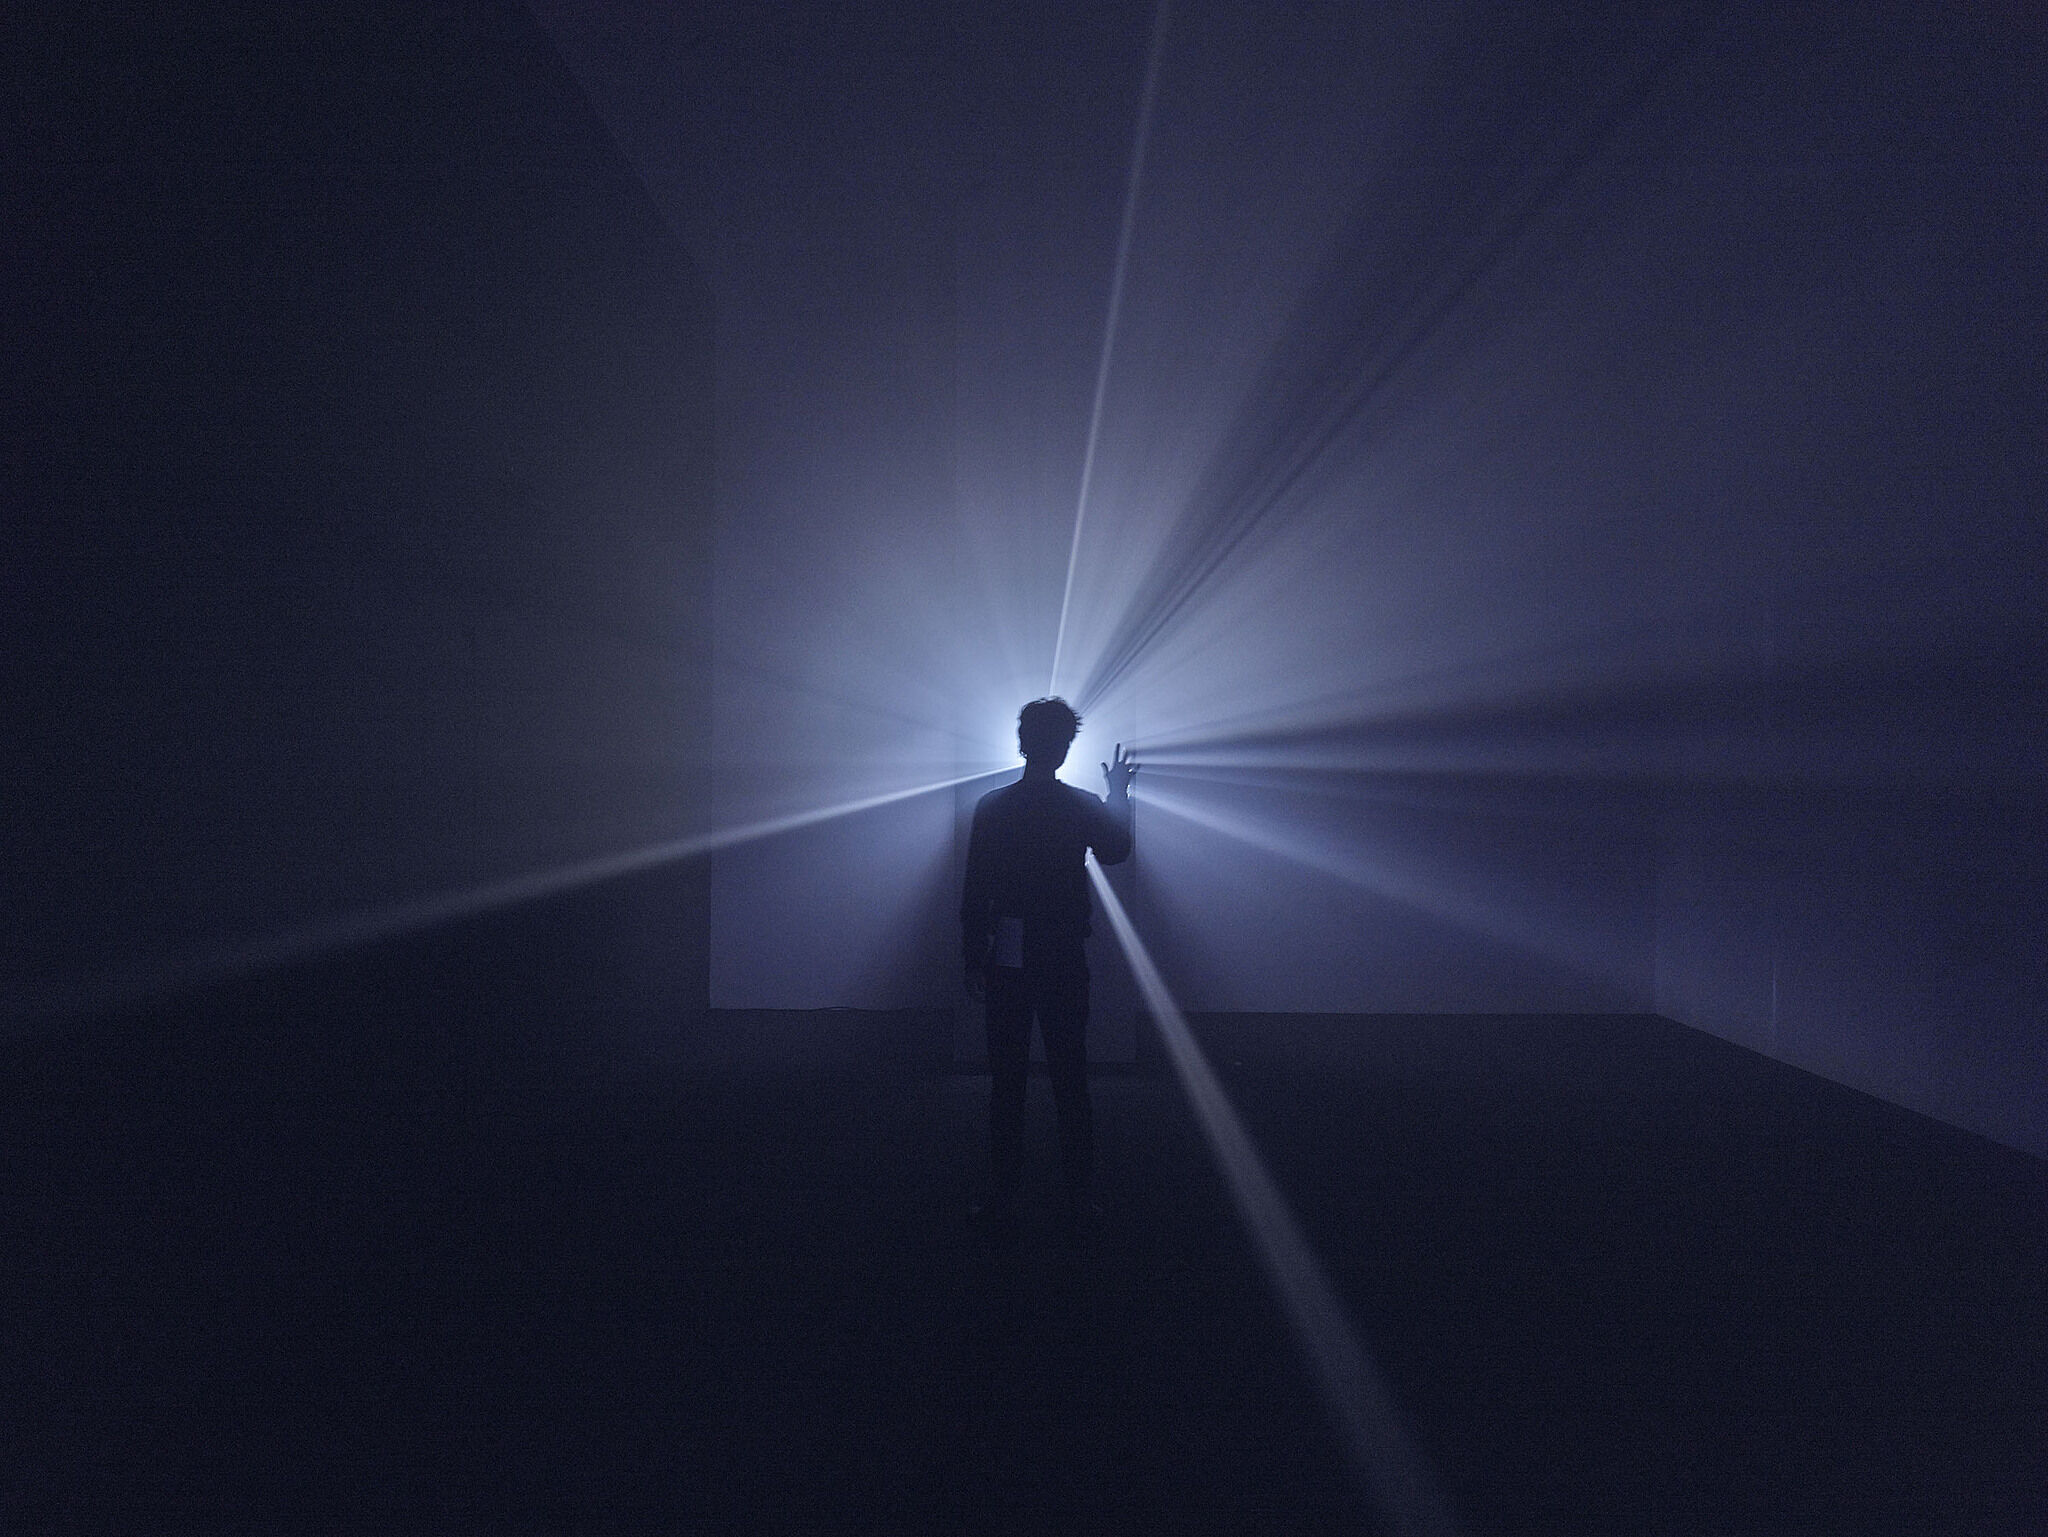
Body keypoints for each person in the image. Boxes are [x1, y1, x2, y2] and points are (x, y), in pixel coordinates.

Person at [961, 697, 1136, 1240]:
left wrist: (973, 953)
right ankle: (1079, 1197)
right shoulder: (1079, 805)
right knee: (1069, 1076)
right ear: (1061, 746)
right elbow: (1115, 852)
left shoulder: (993, 806)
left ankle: (1006, 1194)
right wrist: (1117, 794)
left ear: (1022, 741)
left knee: (1007, 1080)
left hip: (1012, 952)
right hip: (1061, 951)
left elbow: (975, 887)